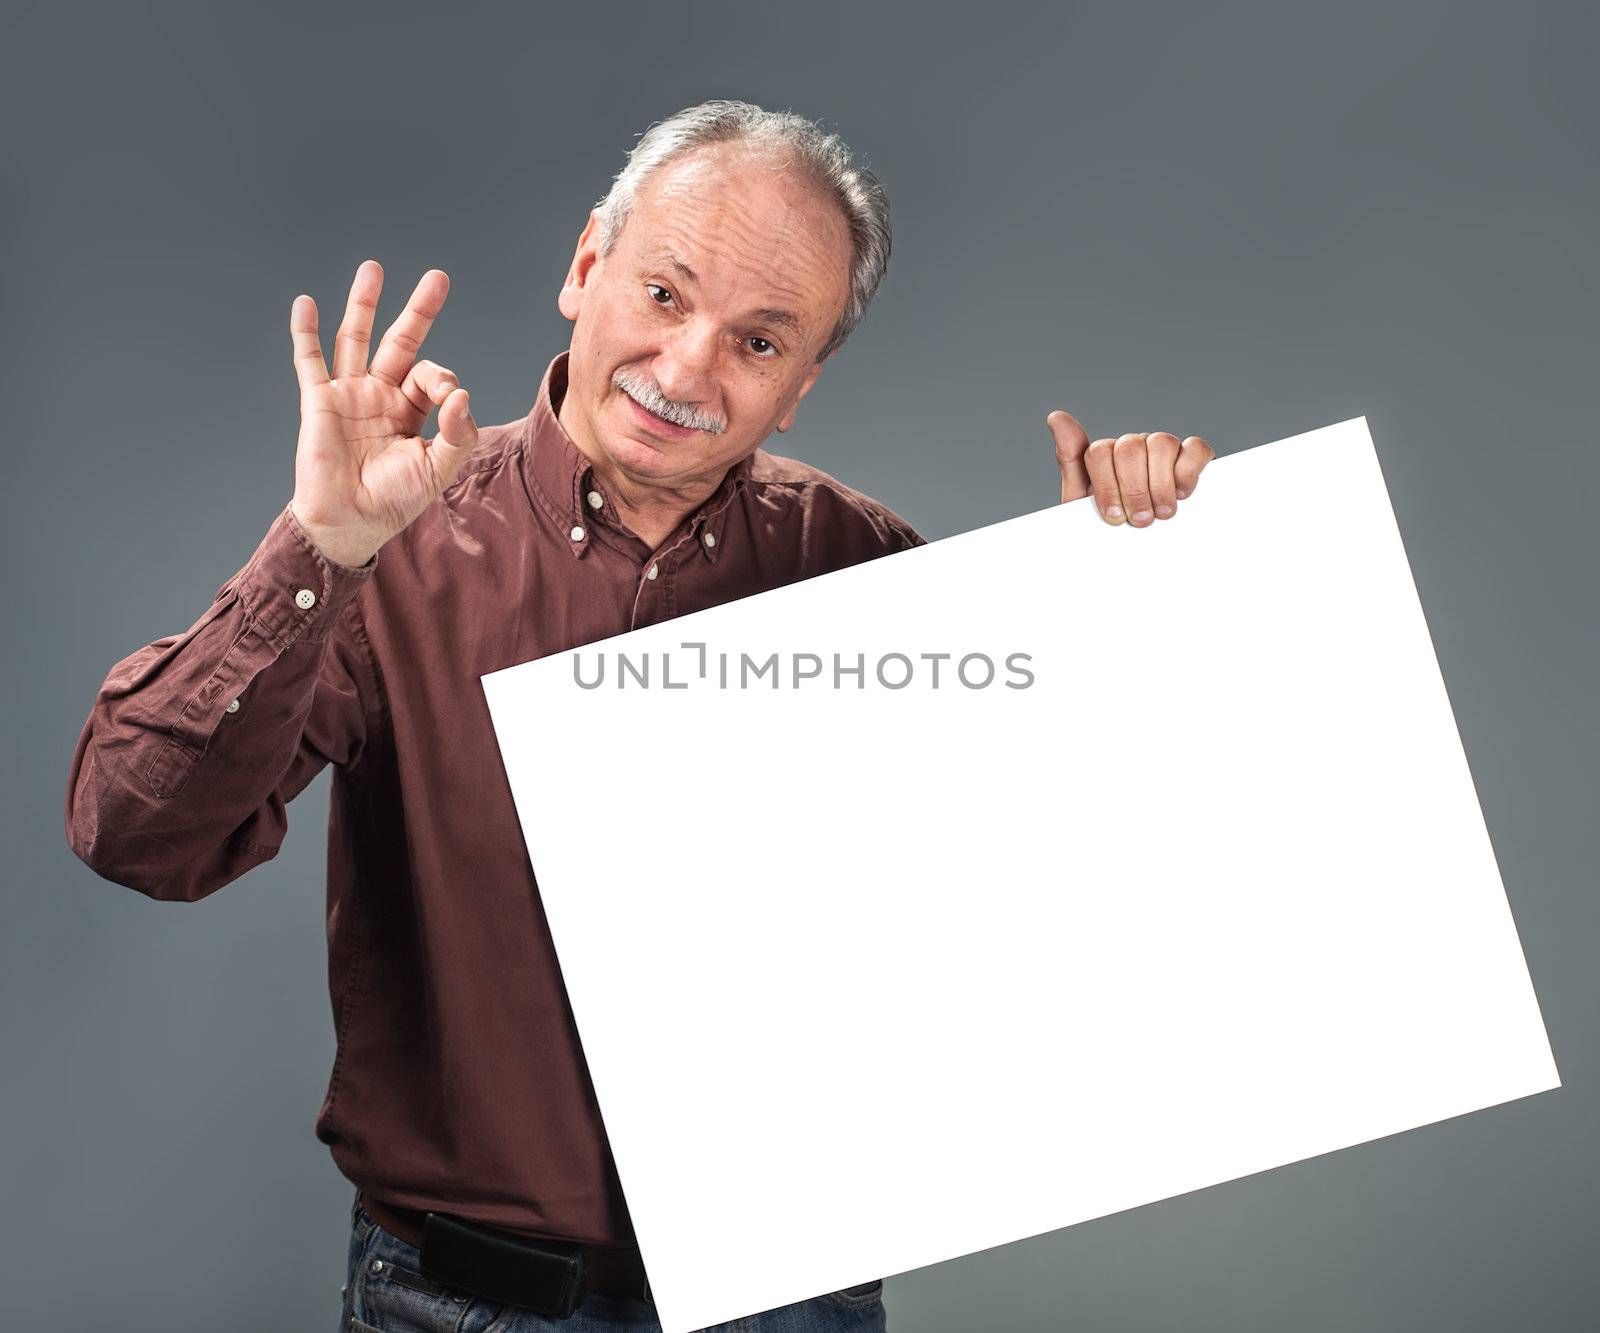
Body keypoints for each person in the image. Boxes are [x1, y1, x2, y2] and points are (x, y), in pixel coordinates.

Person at [64, 99, 1215, 1332]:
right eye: (667, 296)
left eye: (758, 343)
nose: (686, 373)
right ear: (584, 267)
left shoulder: (865, 567)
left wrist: (1129, 597)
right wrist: (319, 549)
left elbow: (1078, 903)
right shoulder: (396, 537)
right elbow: (132, 834)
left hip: (794, 1300)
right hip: (462, 1304)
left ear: (804, 383)